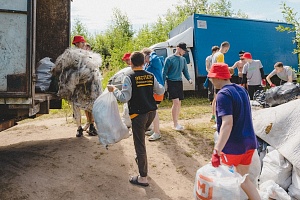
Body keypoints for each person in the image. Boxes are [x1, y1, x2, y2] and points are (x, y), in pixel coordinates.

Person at [107, 51, 165, 187]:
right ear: (144, 62)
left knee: (140, 145)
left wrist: (114, 89)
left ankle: (143, 177)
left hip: (138, 115)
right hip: (151, 113)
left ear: (131, 63)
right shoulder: (150, 76)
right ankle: (140, 159)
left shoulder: (128, 77)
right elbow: (161, 91)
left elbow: (124, 98)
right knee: (140, 140)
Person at [208, 63, 261, 200]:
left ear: (218, 77)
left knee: (225, 183)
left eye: (212, 78)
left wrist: (217, 150)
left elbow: (227, 124)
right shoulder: (241, 90)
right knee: (243, 179)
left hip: (233, 146)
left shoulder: (223, 95)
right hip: (249, 143)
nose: (211, 81)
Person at [163, 42, 193, 131]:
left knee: (179, 103)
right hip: (171, 82)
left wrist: (189, 79)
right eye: (184, 50)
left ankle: (177, 121)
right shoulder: (169, 59)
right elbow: (164, 72)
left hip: (179, 82)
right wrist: (162, 84)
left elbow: (185, 71)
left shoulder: (183, 59)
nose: (184, 52)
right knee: (175, 102)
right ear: (178, 48)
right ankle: (175, 124)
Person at [72, 35, 98, 137]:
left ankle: (91, 125)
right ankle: (79, 128)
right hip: (76, 84)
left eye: (83, 42)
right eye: (82, 42)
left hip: (87, 84)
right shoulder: (72, 55)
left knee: (89, 105)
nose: (84, 44)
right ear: (77, 44)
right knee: (76, 106)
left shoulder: (87, 55)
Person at [142, 48, 164, 141]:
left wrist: (151, 53)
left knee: (153, 111)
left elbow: (154, 58)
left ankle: (157, 132)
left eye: (144, 57)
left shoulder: (155, 61)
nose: (143, 60)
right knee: (151, 111)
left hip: (157, 91)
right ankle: (154, 129)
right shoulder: (149, 64)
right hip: (151, 91)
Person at [210, 41, 230, 123]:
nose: (227, 51)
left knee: (215, 98)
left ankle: (213, 116)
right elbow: (220, 68)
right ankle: (218, 117)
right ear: (226, 48)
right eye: (227, 49)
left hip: (214, 77)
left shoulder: (215, 54)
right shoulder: (221, 55)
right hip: (219, 79)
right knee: (219, 98)